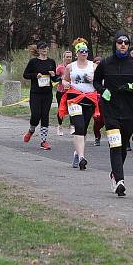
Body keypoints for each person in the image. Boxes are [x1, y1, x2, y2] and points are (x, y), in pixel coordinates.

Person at [94, 32, 133, 196]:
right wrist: (102, 90)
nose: (123, 45)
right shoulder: (105, 63)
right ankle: (120, 181)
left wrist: (132, 87)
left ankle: (114, 174)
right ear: (115, 44)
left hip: (130, 112)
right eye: (120, 42)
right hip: (110, 110)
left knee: (123, 144)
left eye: (126, 42)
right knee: (115, 144)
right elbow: (96, 81)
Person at [58, 39, 100, 171]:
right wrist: (65, 83)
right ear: (77, 53)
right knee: (79, 125)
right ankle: (82, 157)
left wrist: (95, 79)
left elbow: (101, 81)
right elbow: (64, 79)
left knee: (84, 127)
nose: (84, 53)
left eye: (86, 51)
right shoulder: (71, 67)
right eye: (81, 51)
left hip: (89, 99)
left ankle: (77, 153)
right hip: (74, 98)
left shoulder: (93, 66)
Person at [22, 41, 58, 150]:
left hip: (47, 93)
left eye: (46, 48)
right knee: (36, 115)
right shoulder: (33, 62)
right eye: (42, 48)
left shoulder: (51, 62)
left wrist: (54, 75)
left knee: (45, 116)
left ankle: (43, 141)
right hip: (35, 93)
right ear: (38, 50)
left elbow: (55, 79)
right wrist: (35, 75)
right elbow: (25, 75)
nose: (44, 49)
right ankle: (31, 130)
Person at [55, 50, 73, 136]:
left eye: (70, 57)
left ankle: (72, 126)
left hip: (71, 91)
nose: (69, 58)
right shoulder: (60, 67)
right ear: (64, 58)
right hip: (61, 91)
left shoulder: (74, 66)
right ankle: (60, 126)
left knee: (72, 108)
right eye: (67, 57)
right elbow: (55, 78)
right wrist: (61, 78)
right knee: (61, 108)